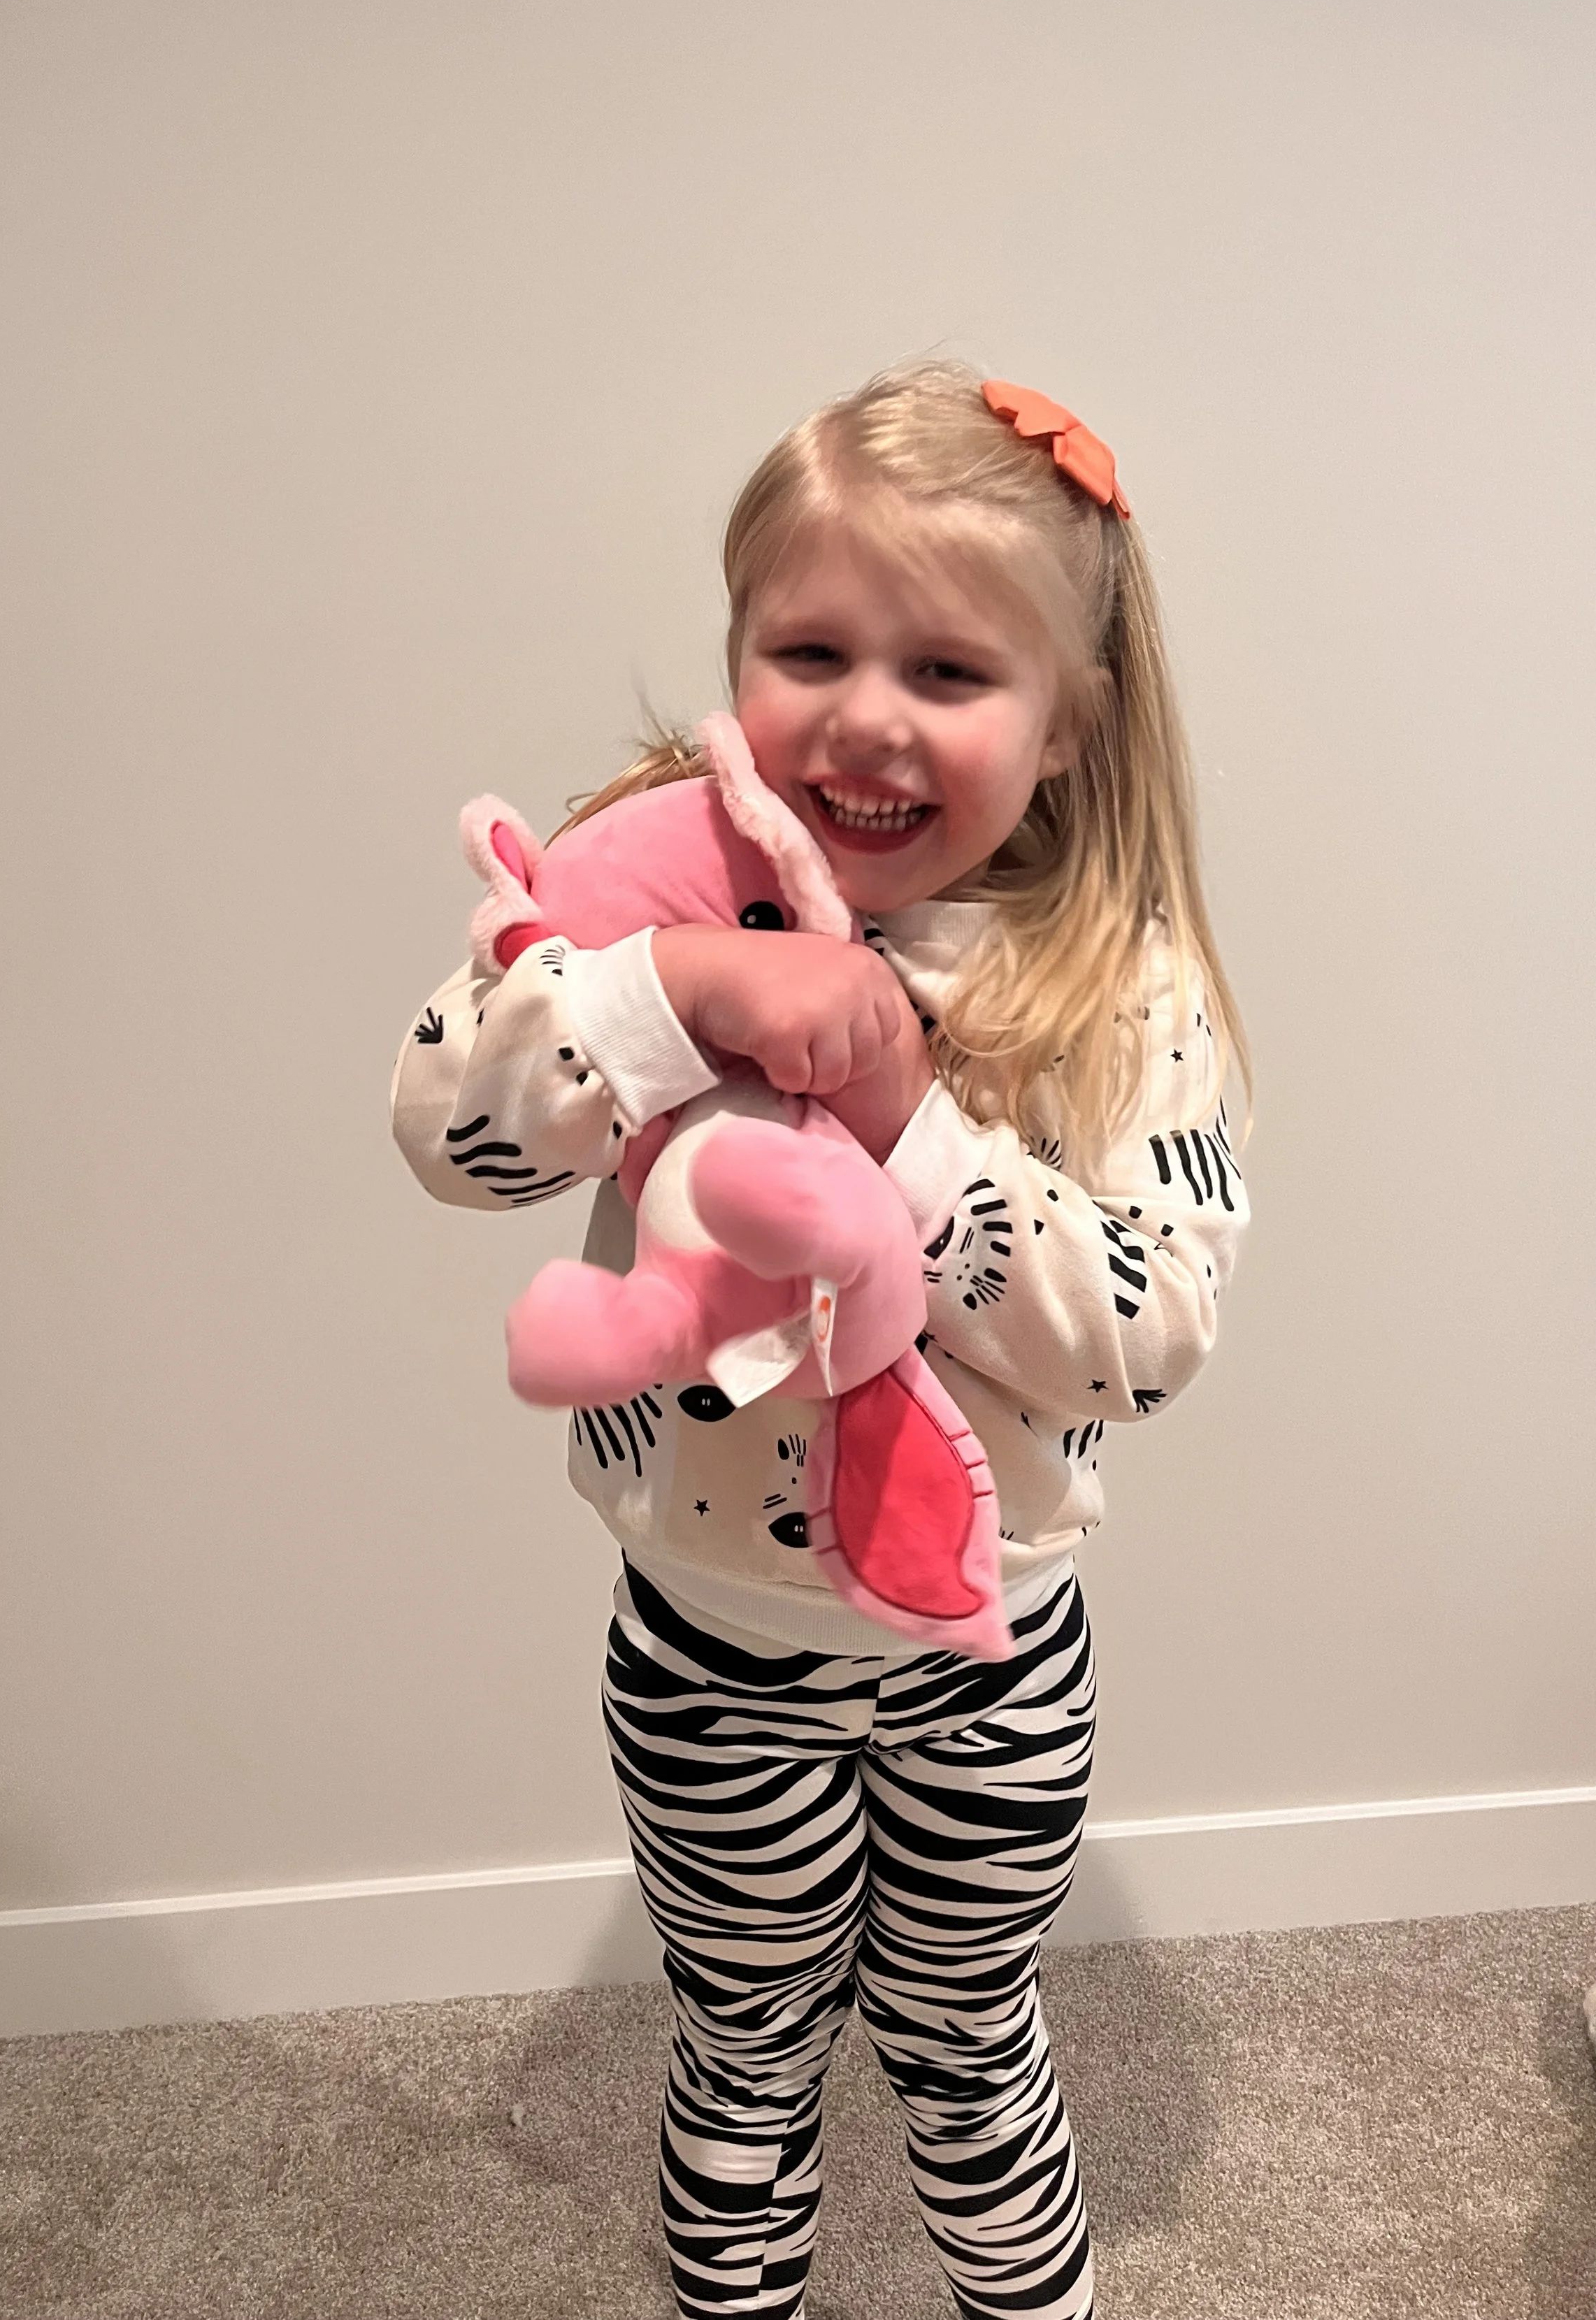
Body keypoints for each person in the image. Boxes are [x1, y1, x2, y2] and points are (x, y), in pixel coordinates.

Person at [391, 360, 1251, 2320]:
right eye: (808, 647)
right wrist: (672, 990)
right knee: (739, 2050)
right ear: (735, 655)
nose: (864, 714)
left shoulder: (1114, 976)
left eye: (949, 673)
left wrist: (903, 1124)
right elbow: (451, 1133)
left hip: (989, 1659)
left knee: (969, 2046)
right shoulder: (644, 897)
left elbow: (1148, 1328)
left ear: (1065, 724)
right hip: (708, 1645)